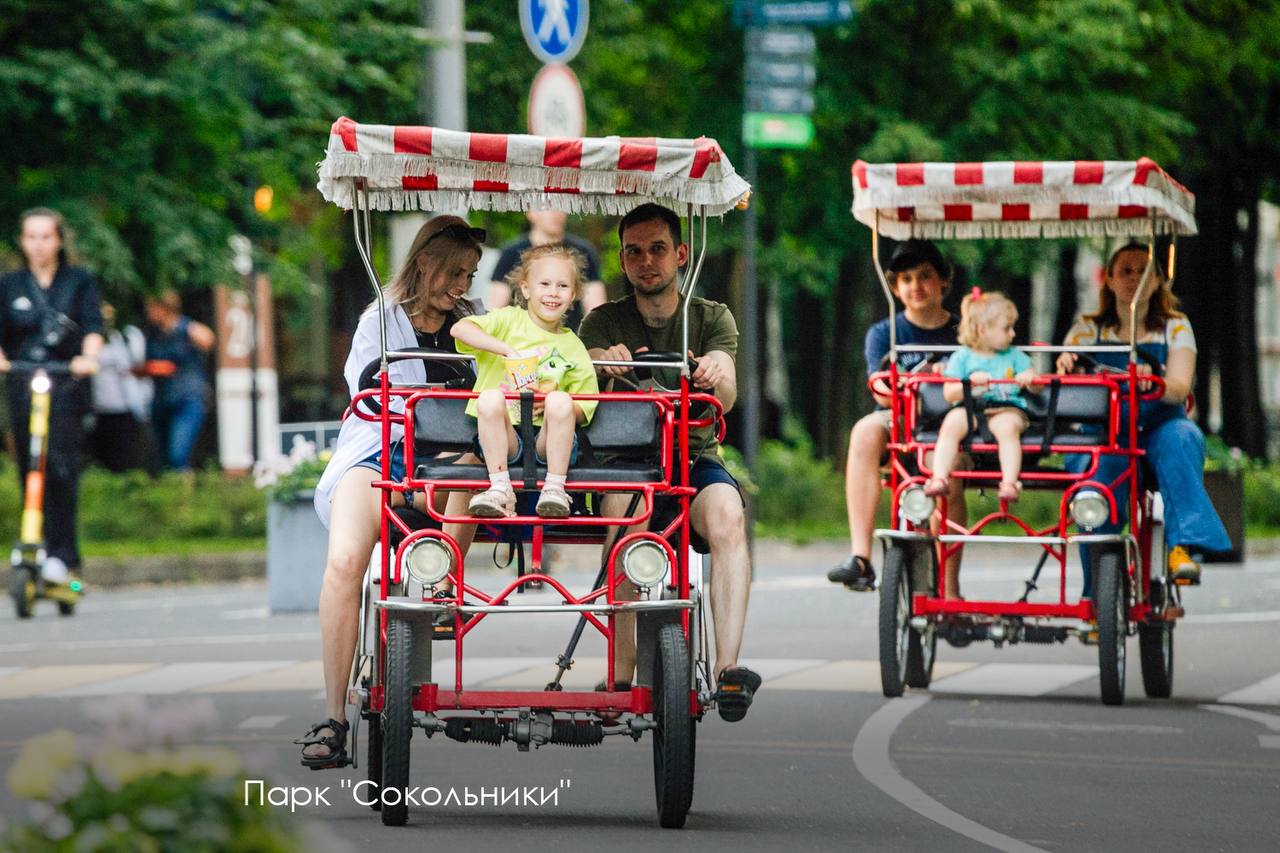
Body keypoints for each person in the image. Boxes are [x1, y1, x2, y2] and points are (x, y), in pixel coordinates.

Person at [301, 215, 486, 769]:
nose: (461, 285)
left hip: (449, 464)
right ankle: (334, 717)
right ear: (422, 260)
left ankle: (442, 589)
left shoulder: (475, 322)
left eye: (470, 275)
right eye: (454, 271)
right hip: (378, 451)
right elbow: (371, 394)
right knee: (344, 562)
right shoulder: (378, 323)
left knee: (475, 468)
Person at [578, 202, 760, 723]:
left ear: (680, 253)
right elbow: (580, 379)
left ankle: (728, 669)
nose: (647, 261)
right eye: (634, 251)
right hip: (625, 463)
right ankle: (619, 672)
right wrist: (599, 362)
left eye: (658, 249)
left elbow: (724, 393)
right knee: (626, 513)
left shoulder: (710, 316)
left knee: (728, 513)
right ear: (622, 260)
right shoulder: (602, 320)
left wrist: (716, 371)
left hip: (692, 457)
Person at [1056, 242, 1230, 588]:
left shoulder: (1175, 327)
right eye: (1126, 271)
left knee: (1184, 437)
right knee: (1094, 473)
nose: (1135, 278)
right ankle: (1097, 588)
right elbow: (1067, 383)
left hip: (1158, 425)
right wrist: (1067, 365)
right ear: (1109, 279)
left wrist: (1150, 382)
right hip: (1104, 432)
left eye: (1143, 271)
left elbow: (1180, 386)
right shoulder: (1087, 330)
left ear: (1157, 281)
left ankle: (1182, 547)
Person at [828, 239, 969, 599]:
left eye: (925, 276)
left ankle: (949, 586)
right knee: (863, 430)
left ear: (944, 282)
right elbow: (881, 390)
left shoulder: (965, 333)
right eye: (906, 279)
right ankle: (861, 556)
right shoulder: (884, 333)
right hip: (901, 422)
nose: (916, 286)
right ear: (895, 287)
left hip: (951, 429)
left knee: (947, 470)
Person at [449, 243, 599, 519]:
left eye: (562, 286)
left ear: (574, 294)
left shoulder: (573, 345)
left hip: (548, 439)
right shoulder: (507, 321)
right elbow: (460, 329)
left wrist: (554, 403)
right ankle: (499, 488)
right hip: (503, 438)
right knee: (491, 397)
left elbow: (586, 404)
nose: (553, 293)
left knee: (561, 401)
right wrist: (506, 350)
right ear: (526, 289)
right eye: (544, 284)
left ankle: (555, 487)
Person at [0, 207, 104, 584]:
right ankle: (37, 542)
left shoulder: (79, 281)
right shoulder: (10, 285)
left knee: (60, 465)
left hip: (65, 383)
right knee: (30, 465)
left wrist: (88, 357)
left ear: (59, 240)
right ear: (22, 241)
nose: (39, 244)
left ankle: (63, 553)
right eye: (32, 237)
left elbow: (93, 326)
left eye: (46, 237)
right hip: (23, 382)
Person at [926, 289, 1041, 503]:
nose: (1013, 334)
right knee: (951, 423)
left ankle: (1009, 482)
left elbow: (1037, 384)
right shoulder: (961, 357)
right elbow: (949, 393)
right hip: (970, 408)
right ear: (982, 330)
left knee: (1008, 428)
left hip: (1006, 408)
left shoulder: (1014, 356)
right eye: (1007, 328)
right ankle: (939, 477)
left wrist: (1030, 378)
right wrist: (968, 385)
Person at [487, 209, 605, 326]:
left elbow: (595, 310)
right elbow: (495, 309)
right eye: (547, 207)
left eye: (560, 206)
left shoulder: (583, 252)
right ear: (531, 213)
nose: (555, 213)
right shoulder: (511, 252)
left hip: (570, 336)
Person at [143, 290, 214, 471]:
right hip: (162, 400)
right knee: (163, 458)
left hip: (187, 398)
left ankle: (183, 497)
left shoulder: (186, 328)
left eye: (152, 308)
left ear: (165, 308)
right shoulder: (153, 333)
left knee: (178, 454)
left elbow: (208, 339)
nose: (148, 312)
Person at [88, 302, 153, 472]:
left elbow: (140, 367)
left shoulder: (127, 336)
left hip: (125, 408)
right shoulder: (85, 337)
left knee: (123, 460)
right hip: (96, 410)